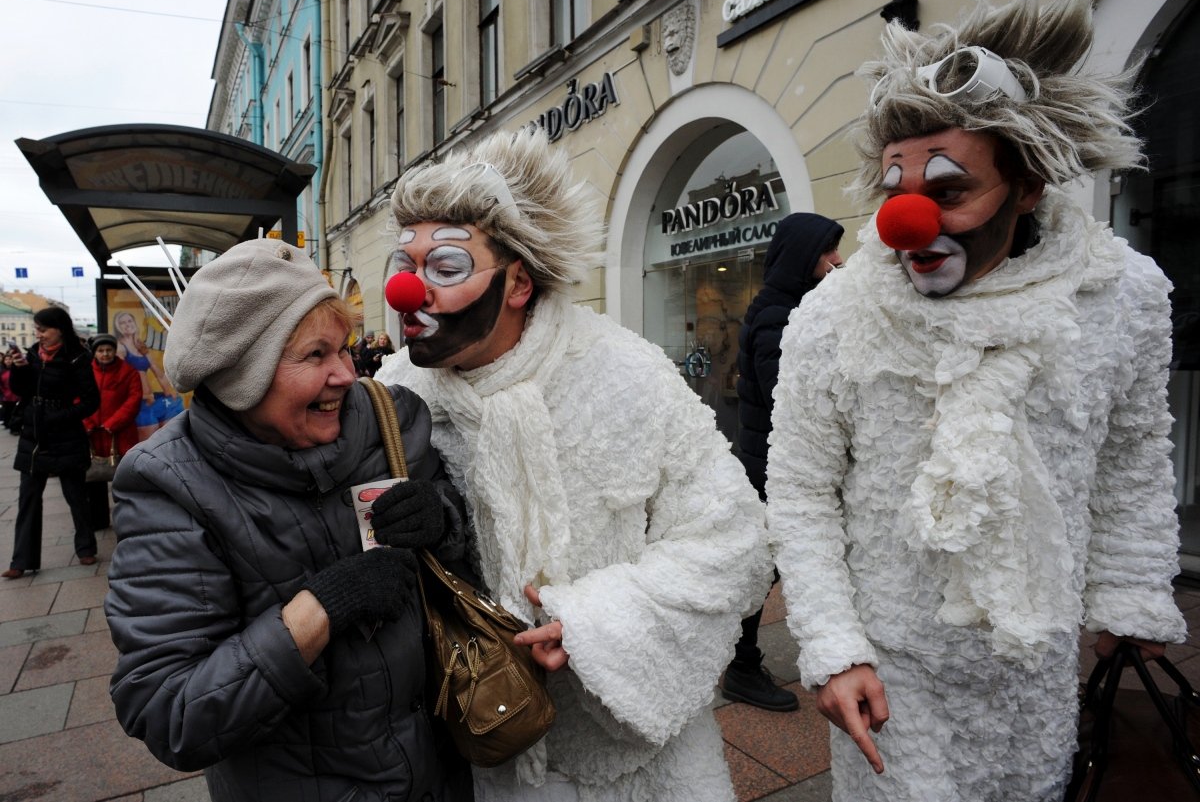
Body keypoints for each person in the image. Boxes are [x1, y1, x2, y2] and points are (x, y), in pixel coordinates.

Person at [767, 0, 1187, 801]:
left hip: (1034, 657)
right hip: (892, 669)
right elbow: (802, 488)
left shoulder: (1121, 297)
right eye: (895, 192)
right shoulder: (834, 315)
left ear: (1027, 185)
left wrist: (1128, 593)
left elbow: (1132, 455)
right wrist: (833, 644)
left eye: (949, 190)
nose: (907, 222)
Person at [376, 129, 770, 802]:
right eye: (404, 264)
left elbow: (735, 539)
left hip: (633, 765)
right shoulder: (392, 402)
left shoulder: (624, 373)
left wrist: (591, 623)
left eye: (444, 266)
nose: (408, 291)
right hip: (472, 757)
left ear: (519, 282)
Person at [104, 238, 472, 802]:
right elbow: (170, 713)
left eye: (344, 349)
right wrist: (321, 609)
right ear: (241, 375)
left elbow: (465, 553)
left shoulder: (388, 418)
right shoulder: (169, 484)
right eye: (315, 355)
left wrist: (442, 522)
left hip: (438, 778)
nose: (346, 374)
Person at [723, 212, 844, 712]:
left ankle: (739, 661)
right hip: (775, 467)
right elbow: (785, 396)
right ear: (802, 257)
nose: (837, 262)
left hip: (772, 461)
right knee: (764, 569)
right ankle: (741, 667)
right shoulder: (780, 314)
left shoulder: (789, 306)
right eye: (827, 253)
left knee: (765, 567)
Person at [4, 307, 100, 578]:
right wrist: (20, 370)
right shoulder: (33, 353)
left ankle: (85, 548)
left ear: (60, 329)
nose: (39, 335)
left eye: (43, 329)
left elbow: (92, 401)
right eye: (37, 330)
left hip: (66, 436)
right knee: (28, 499)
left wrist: (61, 416)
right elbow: (20, 391)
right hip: (33, 437)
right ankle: (21, 561)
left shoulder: (77, 357)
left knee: (76, 496)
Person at [82, 333, 141, 531]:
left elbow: (134, 399)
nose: (105, 354)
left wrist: (112, 423)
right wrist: (87, 422)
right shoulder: (85, 372)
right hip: (93, 437)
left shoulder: (129, 371)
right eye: (100, 350)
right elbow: (76, 398)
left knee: (123, 479)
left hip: (120, 434)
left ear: (115, 351)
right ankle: (98, 520)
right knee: (93, 480)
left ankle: (128, 519)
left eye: (108, 350)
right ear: (95, 353)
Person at [113, 309, 182, 441]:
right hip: (139, 402)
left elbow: (159, 374)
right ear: (118, 327)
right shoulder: (120, 348)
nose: (127, 324)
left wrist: (170, 392)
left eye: (129, 320)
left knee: (168, 438)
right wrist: (143, 396)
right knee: (149, 444)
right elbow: (122, 380)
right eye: (122, 323)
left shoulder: (139, 344)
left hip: (152, 399)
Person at [0, 351, 19, 433]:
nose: (8, 361)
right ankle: (8, 424)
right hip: (5, 394)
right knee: (7, 410)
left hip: (15, 394)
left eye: (10, 359)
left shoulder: (16, 369)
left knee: (15, 411)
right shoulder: (1, 371)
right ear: (4, 361)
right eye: (6, 359)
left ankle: (14, 426)